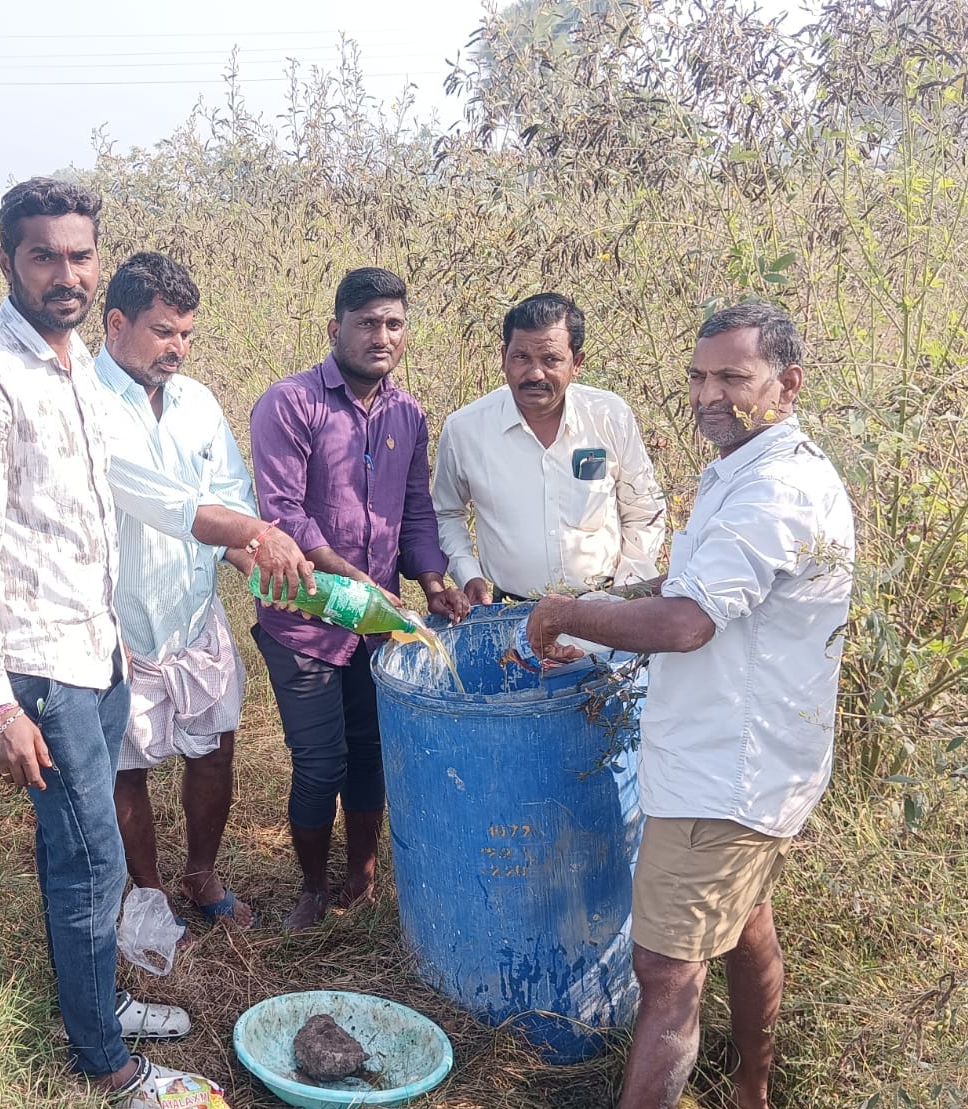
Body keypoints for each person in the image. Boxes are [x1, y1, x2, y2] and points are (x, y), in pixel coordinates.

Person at [0, 178, 311, 1109]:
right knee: (89, 859)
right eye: (44, 255)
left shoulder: (71, 369)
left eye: (80, 255)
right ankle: (103, 1064)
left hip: (99, 649)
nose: (66, 273)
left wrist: (119, 639)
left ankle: (106, 1005)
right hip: (42, 666)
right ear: (7, 259)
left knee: (86, 852)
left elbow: (91, 525)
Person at [527, 302, 855, 1109]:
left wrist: (564, 614)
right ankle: (752, 1102)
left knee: (666, 969)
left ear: (787, 386)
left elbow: (684, 619)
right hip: (747, 758)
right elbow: (682, 586)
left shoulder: (775, 489)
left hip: (730, 771)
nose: (711, 396)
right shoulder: (742, 470)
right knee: (745, 923)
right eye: (700, 377)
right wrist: (594, 617)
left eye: (734, 379)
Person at [249, 267, 471, 932]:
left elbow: (414, 513)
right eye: (368, 322)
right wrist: (351, 577)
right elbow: (282, 511)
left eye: (394, 324)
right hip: (304, 620)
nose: (382, 336)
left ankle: (362, 876)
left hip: (377, 626)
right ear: (335, 329)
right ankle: (313, 887)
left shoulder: (407, 415)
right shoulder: (289, 405)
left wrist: (431, 578)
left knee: (371, 753)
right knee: (321, 762)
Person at [96, 253, 258, 931]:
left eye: (187, 334)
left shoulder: (197, 403)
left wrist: (246, 555)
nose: (178, 348)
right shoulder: (84, 400)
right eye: (164, 331)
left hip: (192, 611)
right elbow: (160, 500)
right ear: (114, 324)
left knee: (215, 744)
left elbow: (227, 492)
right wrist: (254, 534)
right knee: (124, 766)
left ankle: (201, 873)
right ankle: (148, 888)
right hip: (117, 616)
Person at [433, 293, 665, 603]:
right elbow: (446, 513)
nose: (535, 374)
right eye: (521, 358)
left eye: (551, 359)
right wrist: (467, 572)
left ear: (576, 363)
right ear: (503, 357)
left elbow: (644, 510)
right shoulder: (466, 429)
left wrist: (627, 589)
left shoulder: (610, 417)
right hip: (511, 612)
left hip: (608, 608)